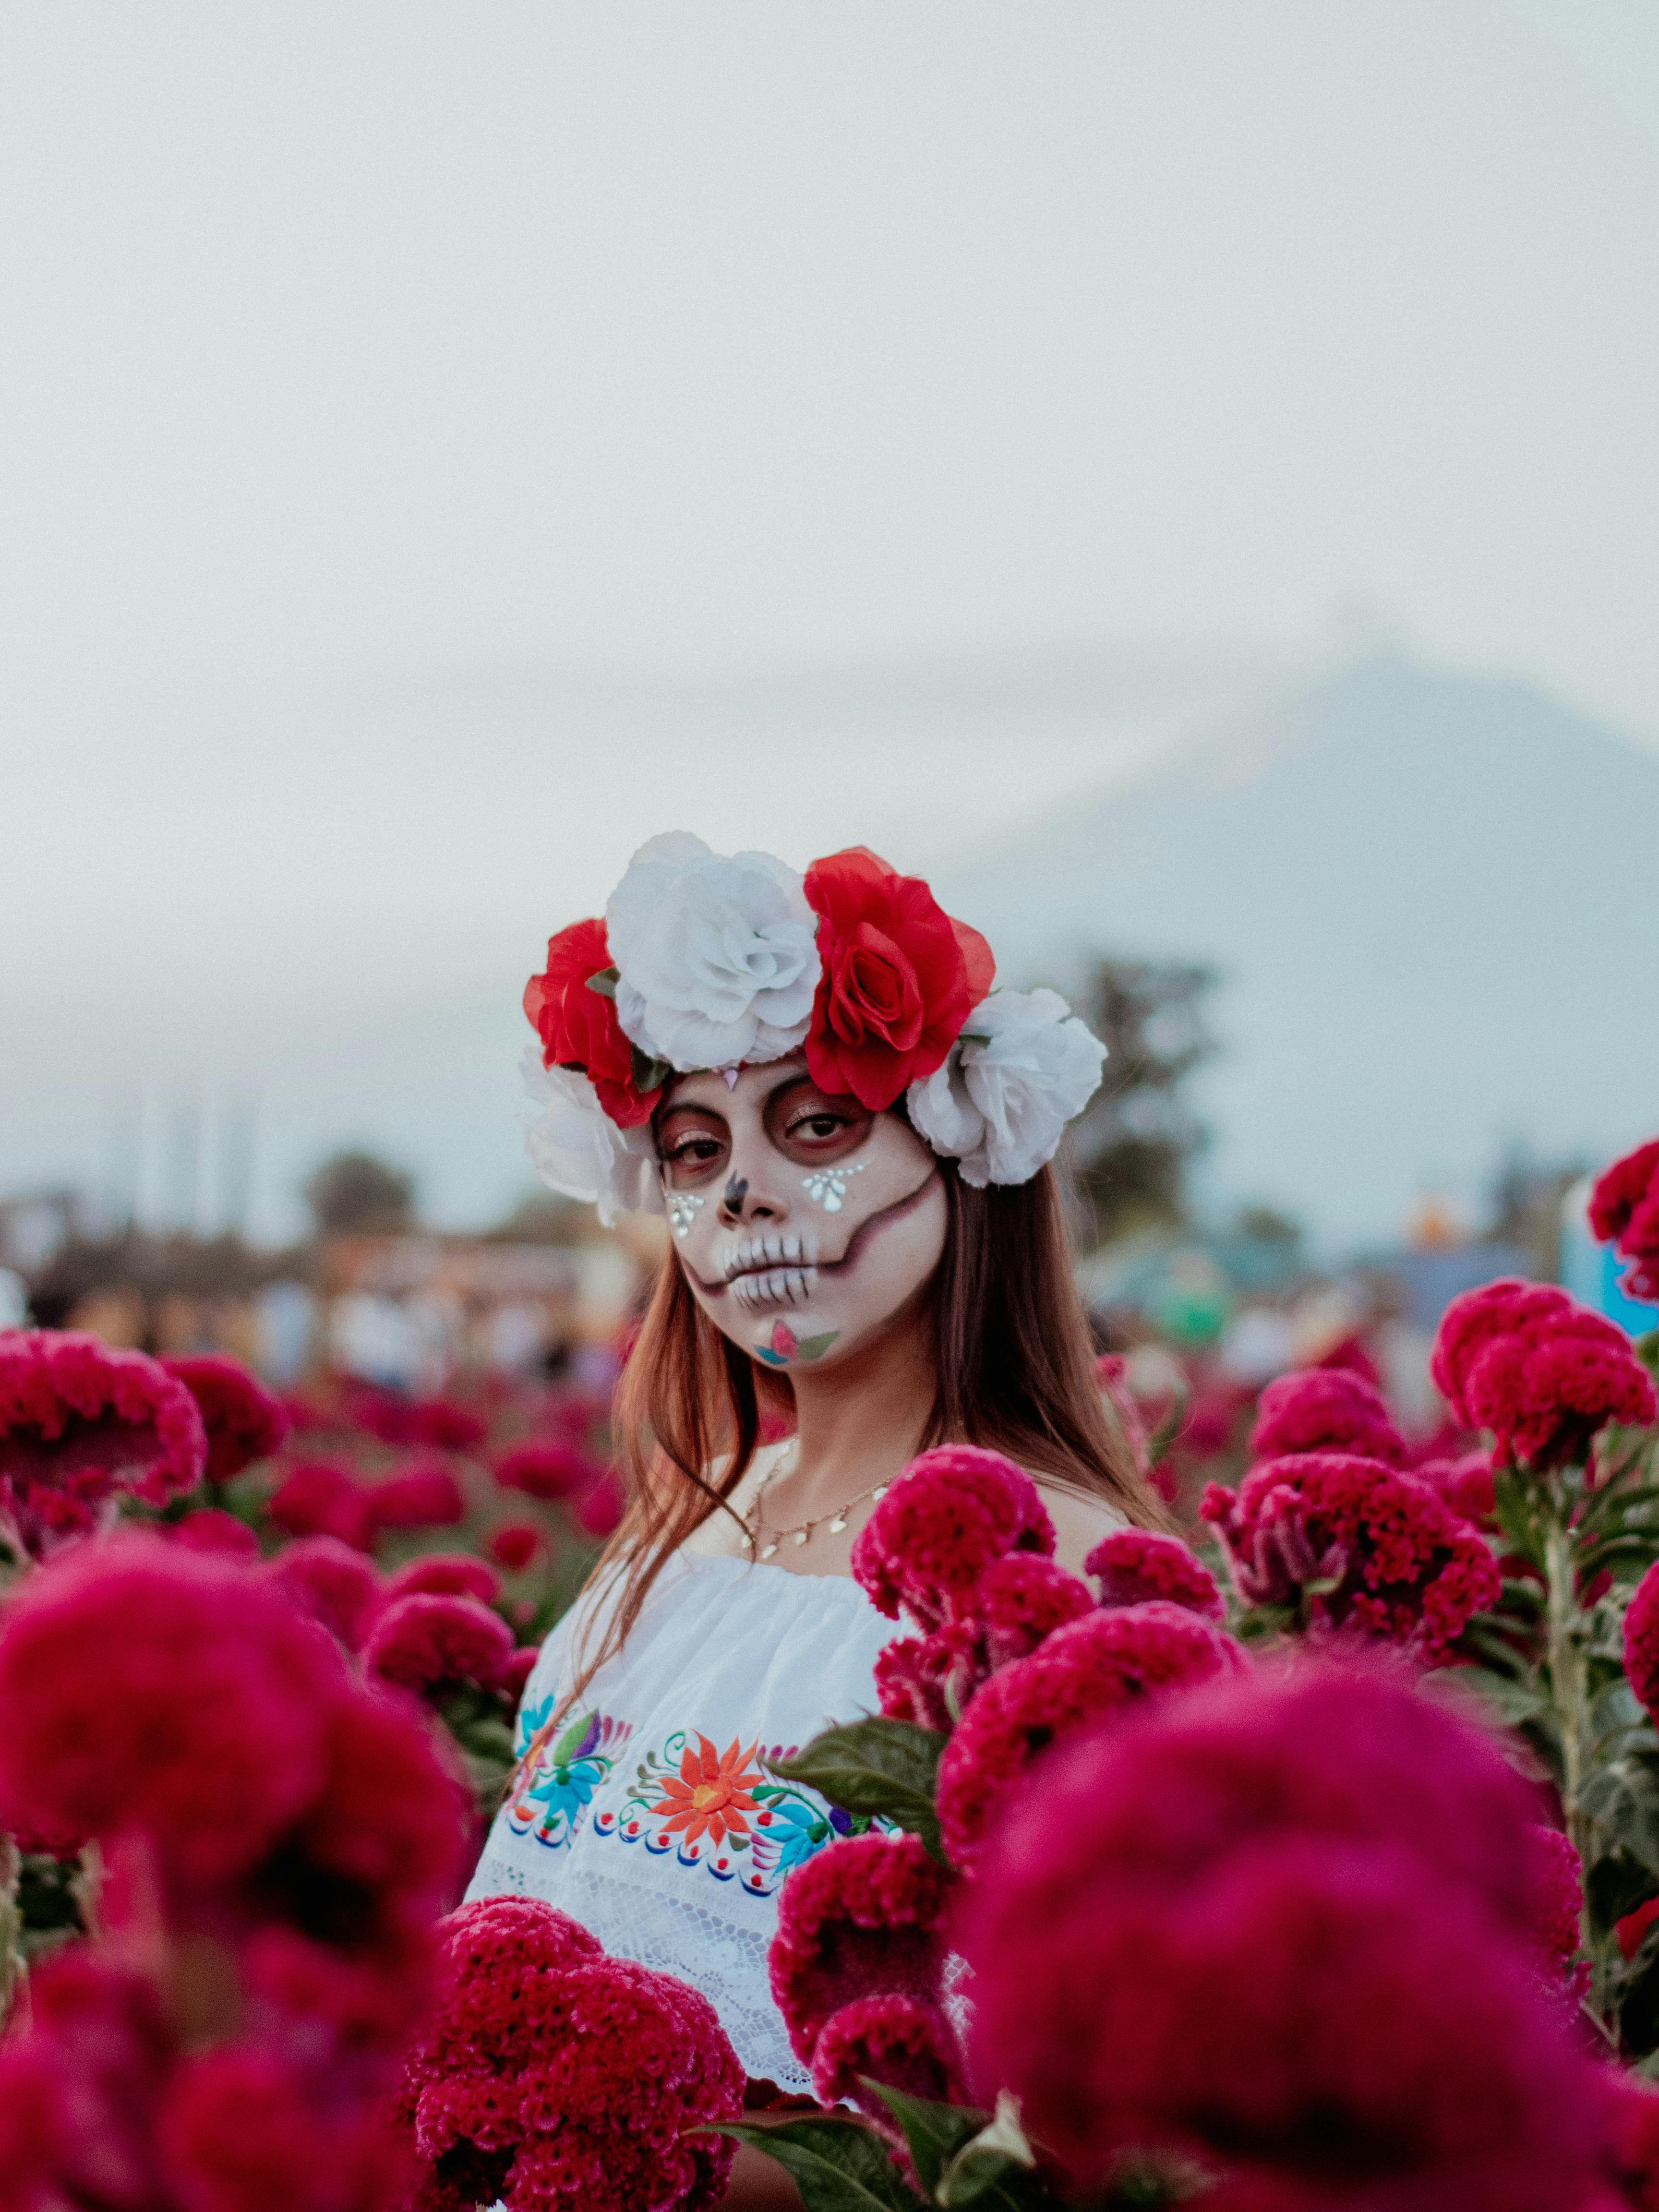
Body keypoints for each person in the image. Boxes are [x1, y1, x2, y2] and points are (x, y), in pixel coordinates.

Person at [466, 834, 1173, 2208]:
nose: (742, 1194)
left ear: (964, 1154)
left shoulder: (1062, 1577)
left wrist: (636, 2157)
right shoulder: (671, 1546)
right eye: (692, 1148)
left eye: (819, 1129)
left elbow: (1058, 2109)